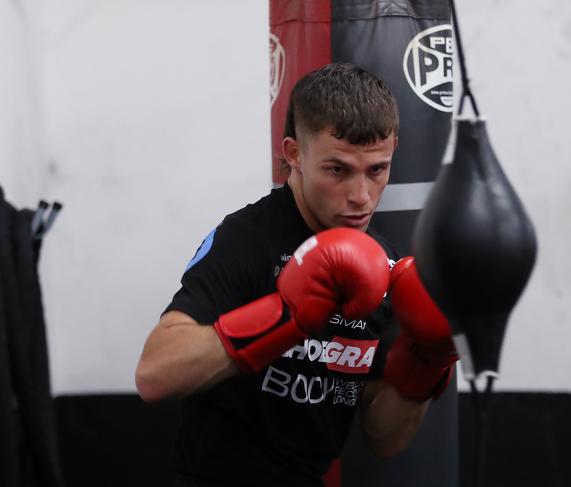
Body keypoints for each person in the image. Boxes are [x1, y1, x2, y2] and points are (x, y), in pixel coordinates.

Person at [135, 63, 457, 487]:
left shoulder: (387, 267)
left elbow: (384, 437)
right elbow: (154, 375)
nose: (361, 197)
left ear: (393, 149)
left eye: (376, 170)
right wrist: (288, 314)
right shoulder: (247, 239)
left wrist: (427, 360)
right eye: (337, 170)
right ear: (293, 154)